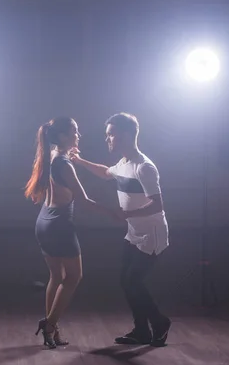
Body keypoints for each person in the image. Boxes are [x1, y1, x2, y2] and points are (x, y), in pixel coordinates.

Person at [69, 112, 171, 347]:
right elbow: (106, 173)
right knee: (127, 282)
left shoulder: (144, 167)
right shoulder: (123, 163)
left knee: (133, 282)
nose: (108, 140)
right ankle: (142, 331)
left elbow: (157, 204)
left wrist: (126, 214)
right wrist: (80, 162)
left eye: (111, 135)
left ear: (125, 136)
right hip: (133, 232)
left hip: (152, 234)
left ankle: (160, 322)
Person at [25, 116, 120, 349]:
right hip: (59, 226)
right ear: (61, 136)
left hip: (44, 223)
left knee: (56, 277)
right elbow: (84, 201)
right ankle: (49, 324)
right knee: (74, 277)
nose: (79, 135)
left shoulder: (53, 157)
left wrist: (76, 158)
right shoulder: (63, 164)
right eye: (74, 132)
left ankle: (52, 328)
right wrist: (114, 214)